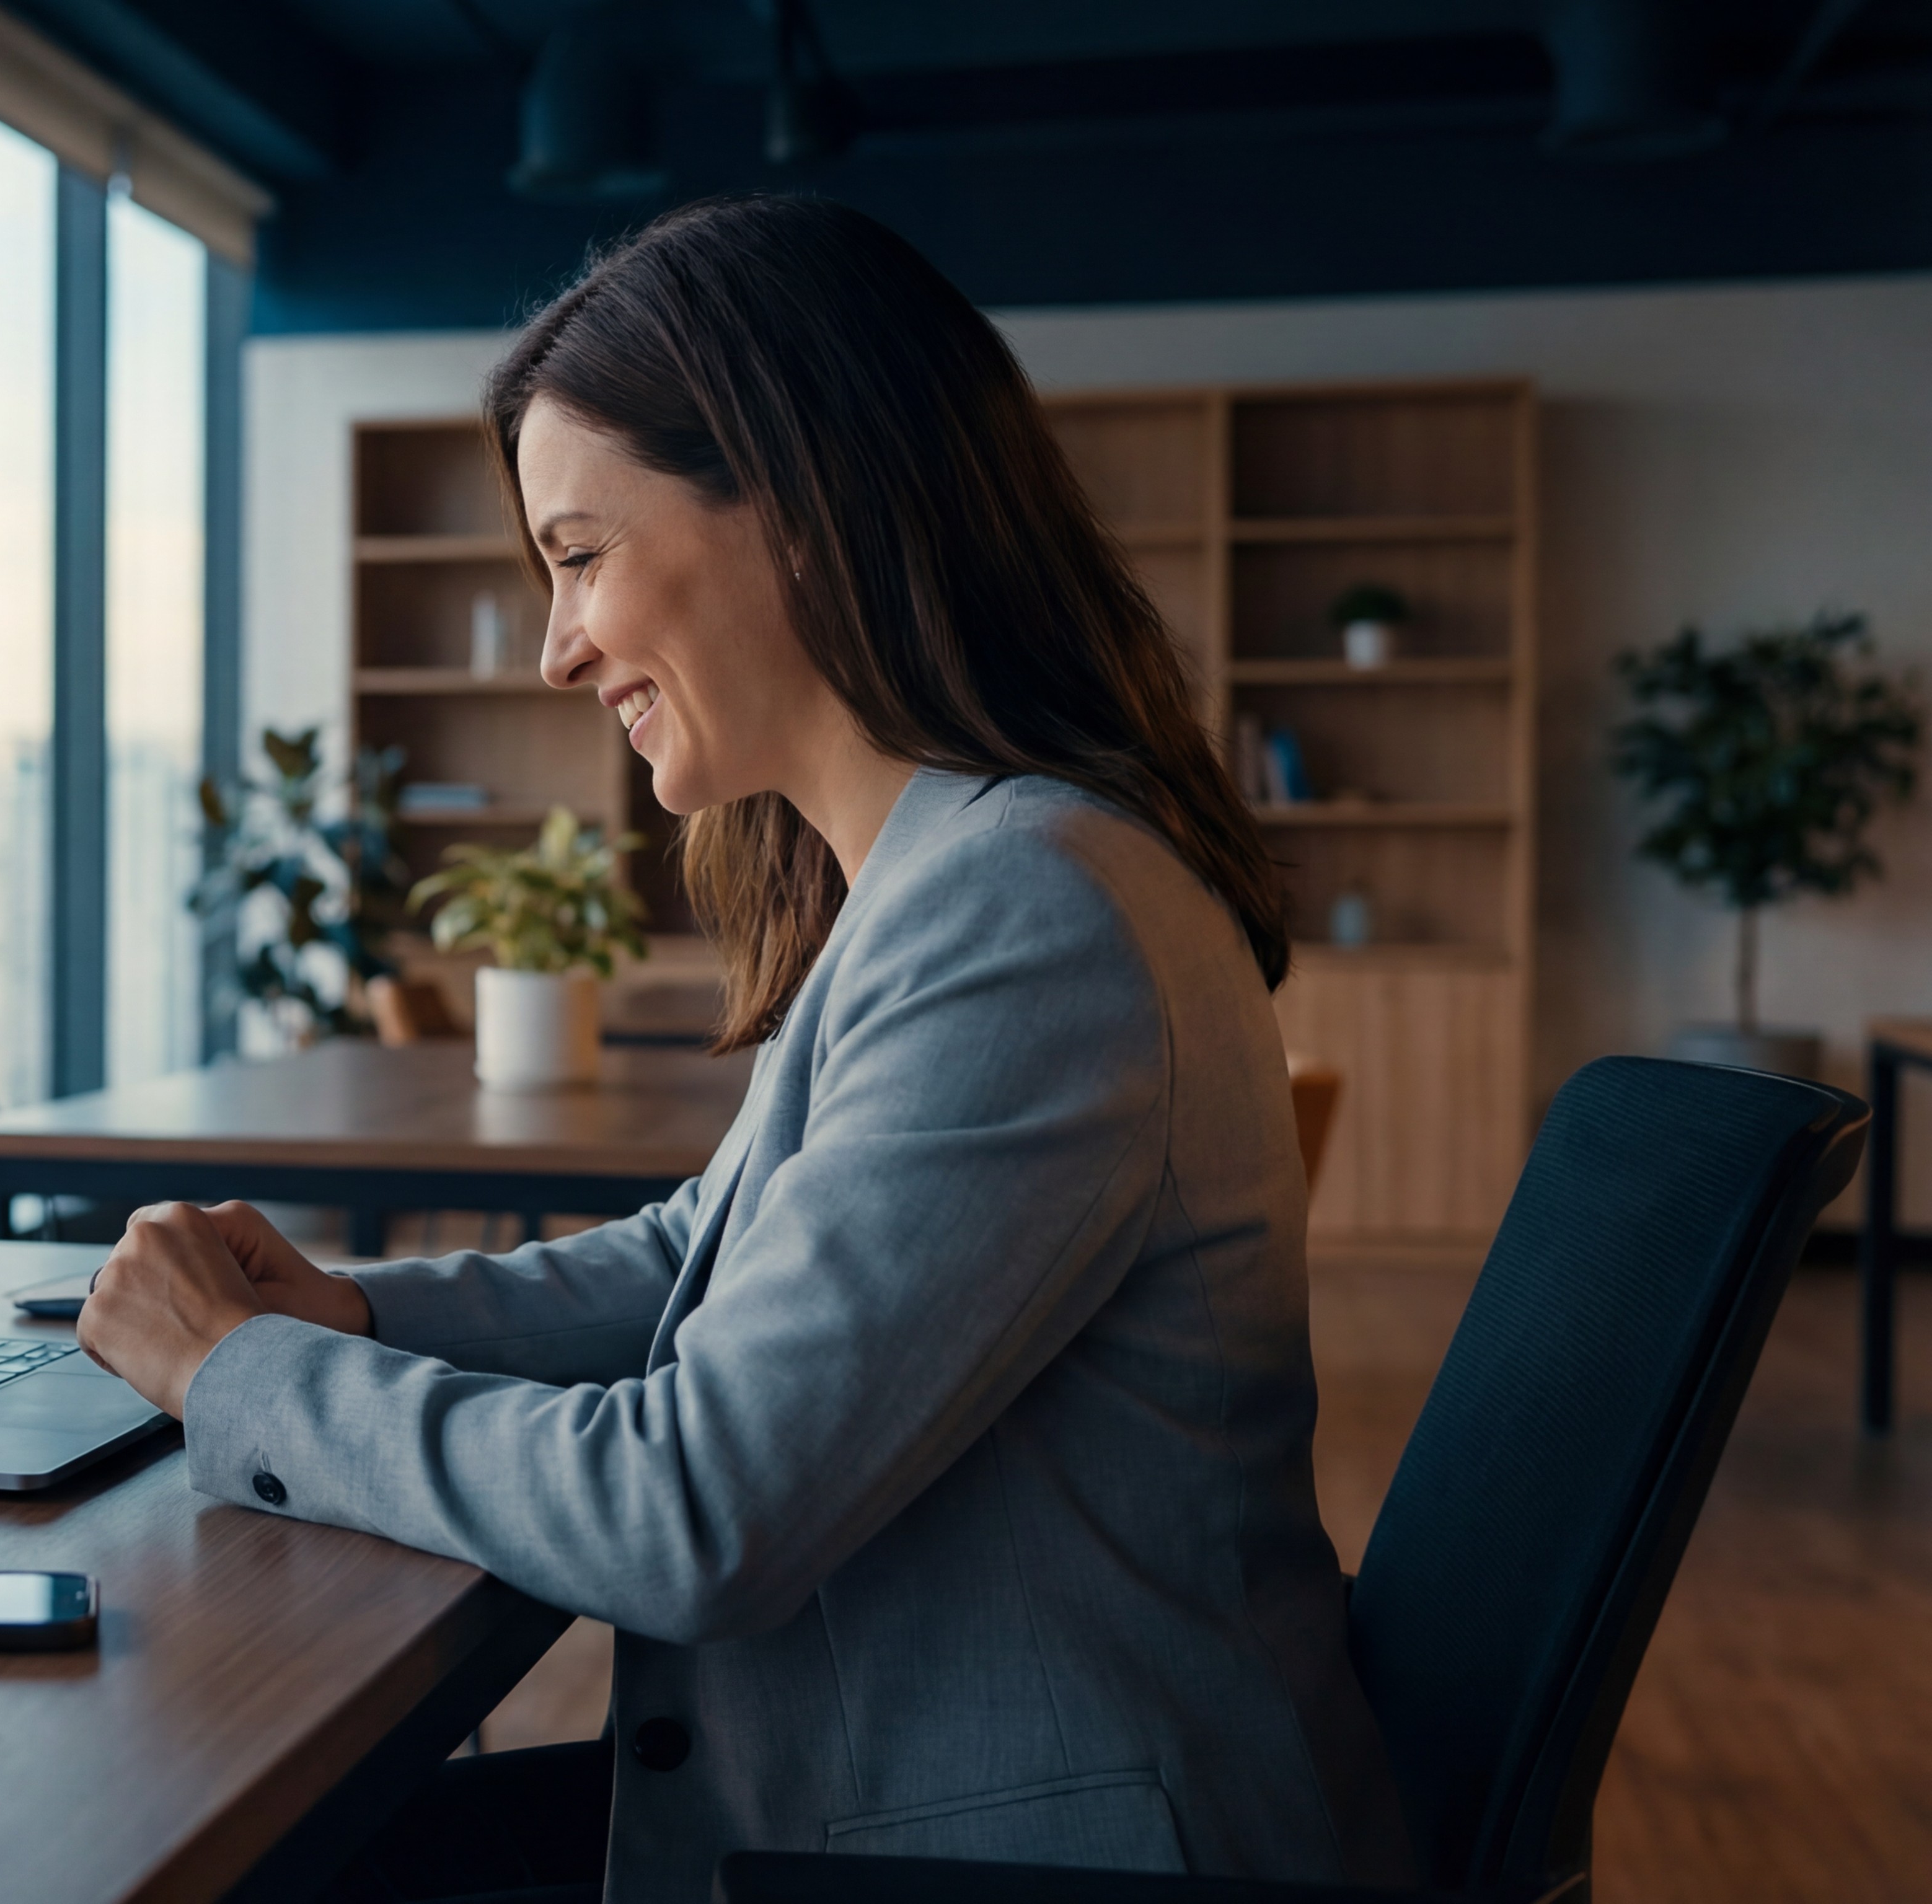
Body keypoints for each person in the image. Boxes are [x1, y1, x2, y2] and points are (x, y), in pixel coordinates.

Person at [76, 197, 1414, 1902]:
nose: (560, 646)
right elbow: (697, 1266)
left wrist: (241, 1377)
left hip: (1027, 1852)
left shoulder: (1027, 912)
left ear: (799, 508)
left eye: (578, 554)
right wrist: (352, 1314)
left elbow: (691, 1507)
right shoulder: (960, 876)